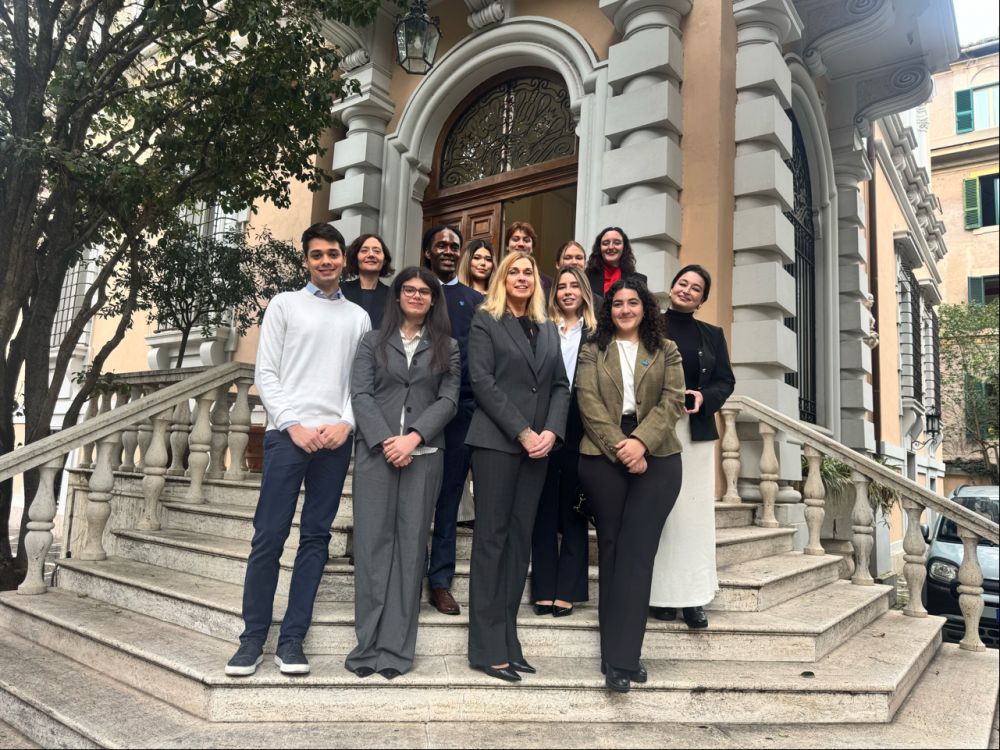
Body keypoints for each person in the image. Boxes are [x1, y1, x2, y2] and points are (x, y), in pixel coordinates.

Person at [225, 222, 370, 677]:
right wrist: (293, 424)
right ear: (306, 260)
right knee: (269, 535)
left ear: (344, 259)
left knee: (315, 538)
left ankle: (292, 640)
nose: (326, 261)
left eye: (333, 253)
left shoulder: (359, 318)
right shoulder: (285, 305)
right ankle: (252, 640)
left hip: (334, 441)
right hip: (287, 437)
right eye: (317, 255)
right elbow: (266, 374)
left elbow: (361, 381)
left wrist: (346, 422)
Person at [346, 267, 461, 679]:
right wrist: (385, 441)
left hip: (424, 456)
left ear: (433, 299)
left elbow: (449, 401)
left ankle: (396, 650)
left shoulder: (448, 347)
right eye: (408, 289)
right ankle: (367, 646)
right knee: (373, 548)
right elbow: (360, 393)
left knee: (411, 550)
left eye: (423, 291)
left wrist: (412, 438)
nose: (415, 295)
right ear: (397, 297)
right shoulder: (371, 342)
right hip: (377, 455)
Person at [575, 278, 685, 693]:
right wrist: (622, 447)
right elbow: (588, 402)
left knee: (638, 554)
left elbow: (672, 401)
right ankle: (614, 655)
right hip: (602, 455)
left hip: (658, 457)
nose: (624, 309)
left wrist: (641, 443)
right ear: (609, 310)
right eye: (617, 303)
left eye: (632, 302)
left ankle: (623, 657)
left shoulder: (666, 350)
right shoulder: (592, 350)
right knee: (613, 551)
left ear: (645, 308)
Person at [466, 251, 570, 682]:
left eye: (529, 271)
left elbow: (561, 386)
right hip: (497, 445)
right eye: (515, 272)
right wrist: (524, 432)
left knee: (519, 543)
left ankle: (509, 640)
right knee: (492, 541)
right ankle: (485, 647)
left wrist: (551, 431)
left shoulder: (547, 327)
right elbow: (483, 382)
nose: (523, 277)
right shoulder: (484, 320)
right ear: (502, 280)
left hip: (538, 451)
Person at [649, 265, 735, 629]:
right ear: (671, 287)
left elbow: (725, 381)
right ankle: (661, 596)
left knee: (693, 517)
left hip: (696, 433)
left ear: (702, 299)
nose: (686, 290)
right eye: (682, 283)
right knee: (660, 513)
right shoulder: (649, 326)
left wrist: (704, 396)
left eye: (696, 288)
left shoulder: (711, 334)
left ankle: (694, 598)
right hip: (656, 429)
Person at [423, 224, 485, 616]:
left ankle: (440, 580)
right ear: (428, 251)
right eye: (441, 245)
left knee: (448, 500)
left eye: (454, 246)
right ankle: (403, 571)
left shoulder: (474, 300)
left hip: (461, 411)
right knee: (411, 496)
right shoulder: (412, 290)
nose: (448, 250)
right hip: (416, 409)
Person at [530, 266, 598, 618]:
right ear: (554, 292)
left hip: (581, 423)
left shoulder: (598, 332)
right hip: (543, 419)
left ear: (584, 291)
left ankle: (568, 589)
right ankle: (543, 587)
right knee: (542, 505)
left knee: (573, 507)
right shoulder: (541, 327)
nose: (568, 291)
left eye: (574, 286)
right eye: (562, 286)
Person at [341, 234, 394, 329]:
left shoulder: (393, 296)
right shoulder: (340, 291)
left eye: (377, 251)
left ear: (385, 260)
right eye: (364, 251)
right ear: (355, 258)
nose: (371, 255)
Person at [585, 227, 647, 298]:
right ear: (599, 248)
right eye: (605, 243)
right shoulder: (586, 278)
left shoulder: (639, 280)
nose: (611, 247)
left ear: (624, 248)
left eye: (617, 243)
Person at [554, 240, 602, 311]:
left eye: (579, 258)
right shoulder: (545, 298)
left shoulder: (598, 302)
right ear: (557, 264)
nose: (574, 262)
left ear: (585, 264)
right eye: (568, 257)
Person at [505, 221, 552, 292]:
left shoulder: (548, 283)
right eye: (515, 239)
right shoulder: (495, 278)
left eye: (526, 240)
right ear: (507, 246)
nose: (521, 244)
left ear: (532, 248)